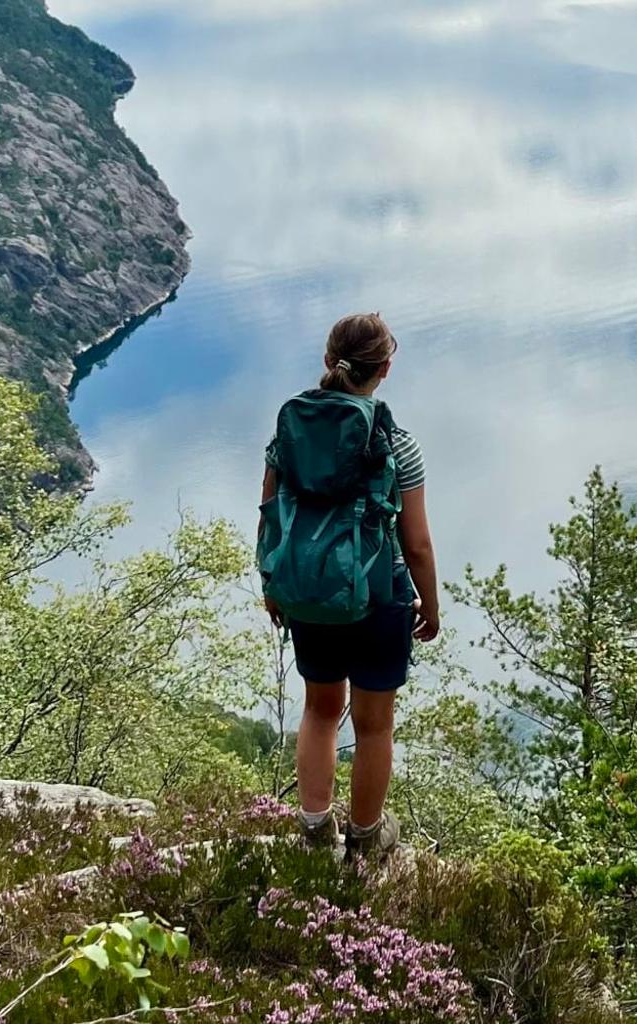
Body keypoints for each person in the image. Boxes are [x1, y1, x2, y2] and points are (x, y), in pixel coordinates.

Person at [260, 312, 440, 862]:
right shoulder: (395, 443)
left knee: (318, 709)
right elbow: (416, 544)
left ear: (327, 360)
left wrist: (274, 584)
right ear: (385, 369)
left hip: (308, 592)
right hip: (378, 596)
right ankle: (365, 841)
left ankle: (314, 832)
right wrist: (430, 607)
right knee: (374, 723)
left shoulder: (289, 429)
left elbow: (270, 510)